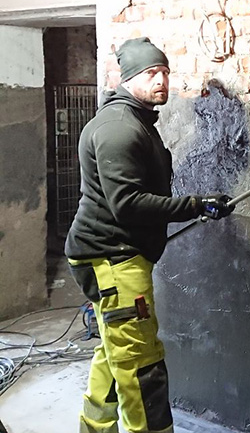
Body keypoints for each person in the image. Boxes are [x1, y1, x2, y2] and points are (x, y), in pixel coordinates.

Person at [65, 37, 234, 433]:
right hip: (111, 258)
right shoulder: (119, 128)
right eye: (151, 73)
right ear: (128, 78)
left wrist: (195, 208)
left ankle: (94, 428)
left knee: (117, 351)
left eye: (165, 72)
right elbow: (128, 204)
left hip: (116, 252)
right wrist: (195, 205)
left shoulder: (135, 120)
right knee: (142, 363)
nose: (161, 80)